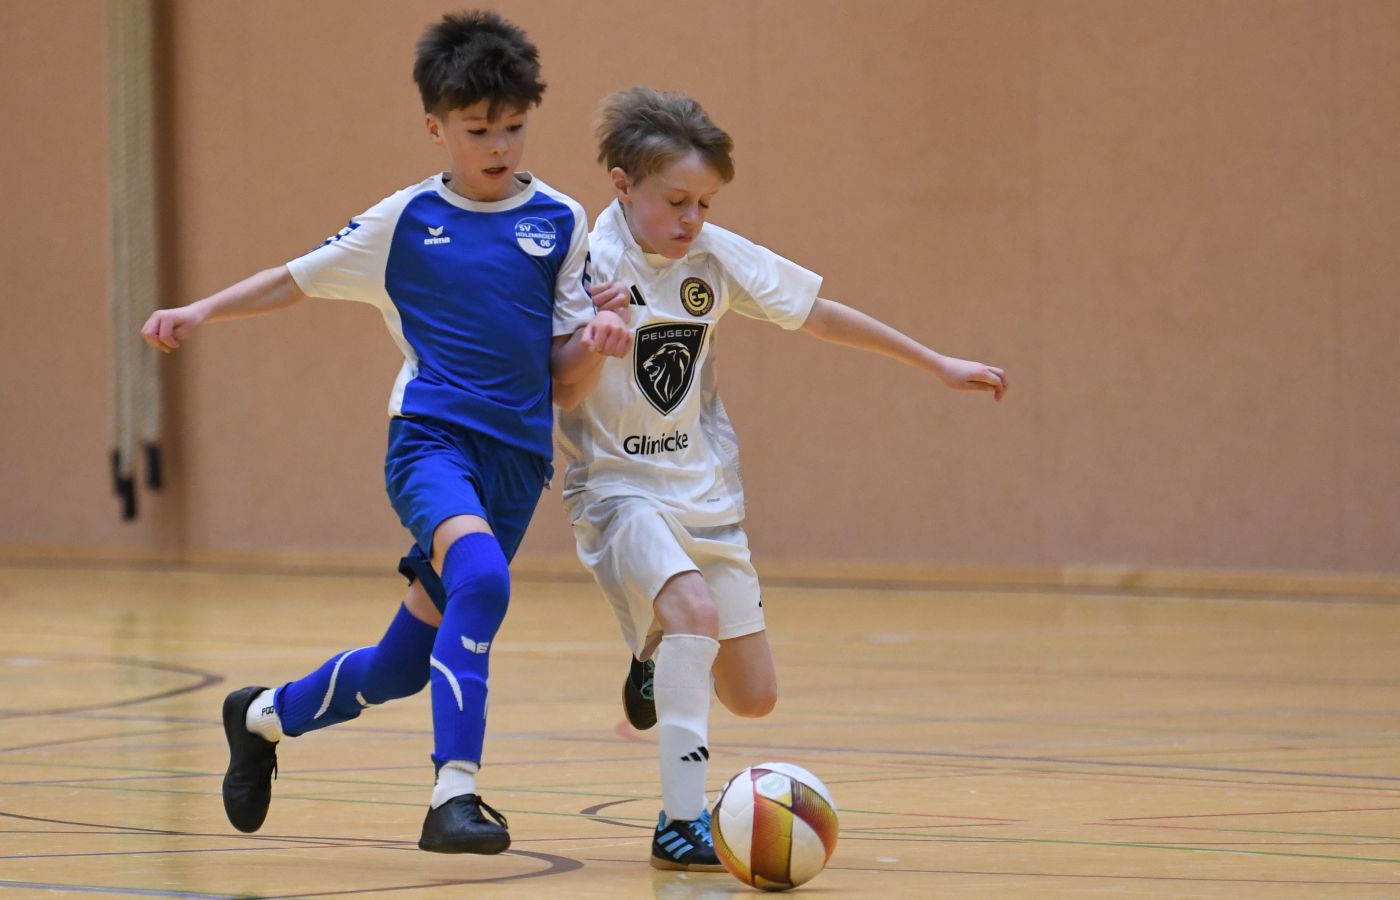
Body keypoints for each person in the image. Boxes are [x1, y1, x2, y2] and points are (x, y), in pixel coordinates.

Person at [140, 11, 631, 855]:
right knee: (481, 577)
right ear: (436, 127)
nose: (499, 145)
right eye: (478, 130)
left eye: (513, 127)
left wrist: (595, 343)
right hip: (431, 443)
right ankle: (454, 797)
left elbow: (561, 377)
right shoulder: (403, 221)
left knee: (402, 667)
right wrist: (202, 309)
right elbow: (291, 279)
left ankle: (258, 717)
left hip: (516, 463)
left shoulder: (559, 221)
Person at [554, 87, 1008, 870]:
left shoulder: (713, 257)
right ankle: (677, 823)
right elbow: (562, 390)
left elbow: (820, 312)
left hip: (706, 495)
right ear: (623, 184)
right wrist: (596, 339)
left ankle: (652, 657)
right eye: (676, 200)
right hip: (618, 489)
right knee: (692, 608)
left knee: (753, 696)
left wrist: (935, 362)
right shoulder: (582, 262)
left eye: (705, 201)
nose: (693, 217)